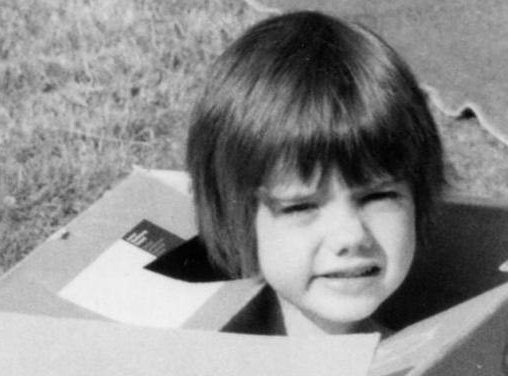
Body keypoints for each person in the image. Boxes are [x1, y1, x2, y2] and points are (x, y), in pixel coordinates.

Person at [185, 10, 446, 336]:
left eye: (377, 196)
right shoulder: (200, 361)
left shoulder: (434, 370)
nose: (351, 236)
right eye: (301, 206)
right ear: (235, 219)